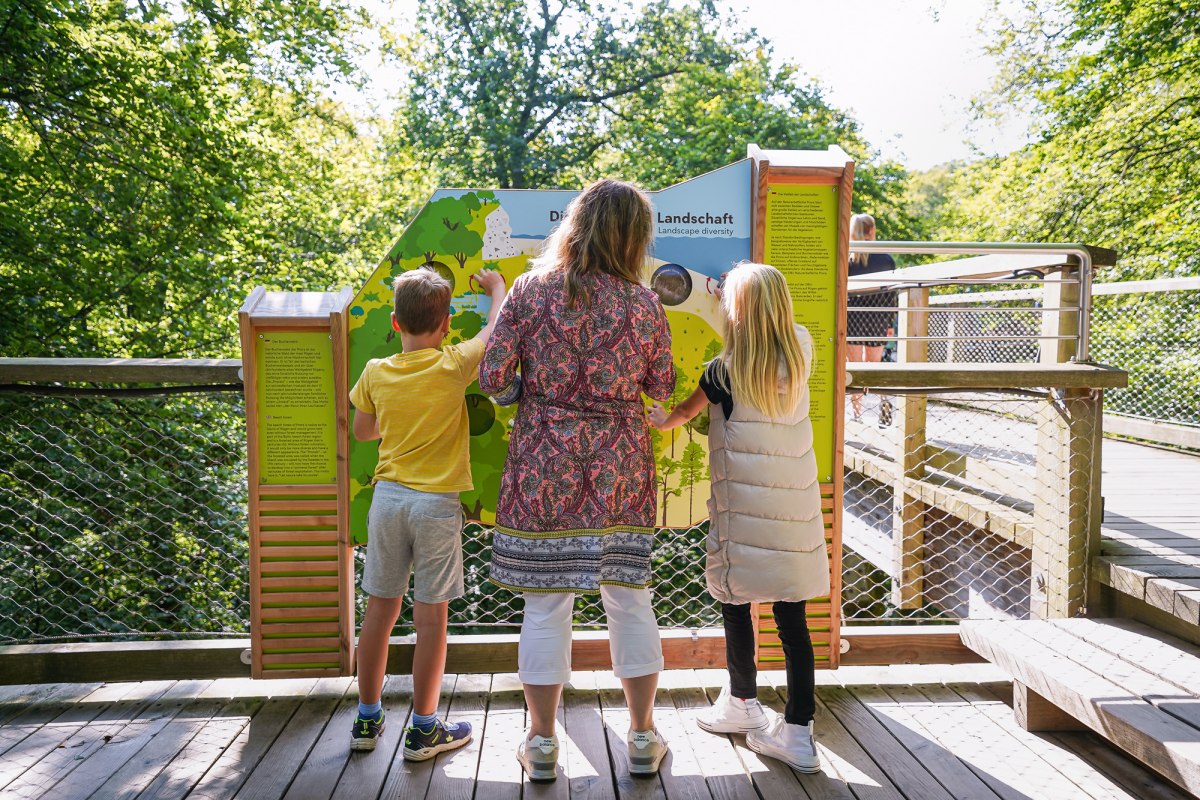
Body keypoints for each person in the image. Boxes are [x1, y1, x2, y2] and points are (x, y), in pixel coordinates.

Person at [478, 178, 676, 782]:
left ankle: (540, 745)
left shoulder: (530, 290)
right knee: (630, 600)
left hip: (544, 464)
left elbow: (491, 377)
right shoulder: (644, 305)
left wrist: (530, 395)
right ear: (635, 239)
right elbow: (662, 387)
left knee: (544, 606)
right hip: (620, 464)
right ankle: (642, 737)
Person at [648, 262, 828, 775]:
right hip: (794, 510)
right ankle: (798, 730)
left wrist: (659, 418)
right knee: (793, 621)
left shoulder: (723, 369)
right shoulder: (801, 348)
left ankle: (742, 702)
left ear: (739, 308)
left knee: (735, 598)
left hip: (743, 512)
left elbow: (681, 414)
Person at [348, 265, 508, 757]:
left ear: (395, 322)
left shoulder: (376, 371)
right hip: (436, 507)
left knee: (379, 610)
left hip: (389, 500)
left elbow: (362, 432)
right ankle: (422, 728)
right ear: (443, 328)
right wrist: (497, 290)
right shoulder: (454, 365)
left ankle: (367, 721)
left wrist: (397, 420)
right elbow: (494, 330)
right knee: (431, 619)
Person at [847, 213, 897, 421]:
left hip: (853, 319)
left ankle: (856, 415)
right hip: (878, 318)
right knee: (875, 366)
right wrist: (890, 323)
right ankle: (884, 407)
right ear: (872, 230)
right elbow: (891, 294)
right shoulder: (886, 259)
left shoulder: (848, 259)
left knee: (855, 368)